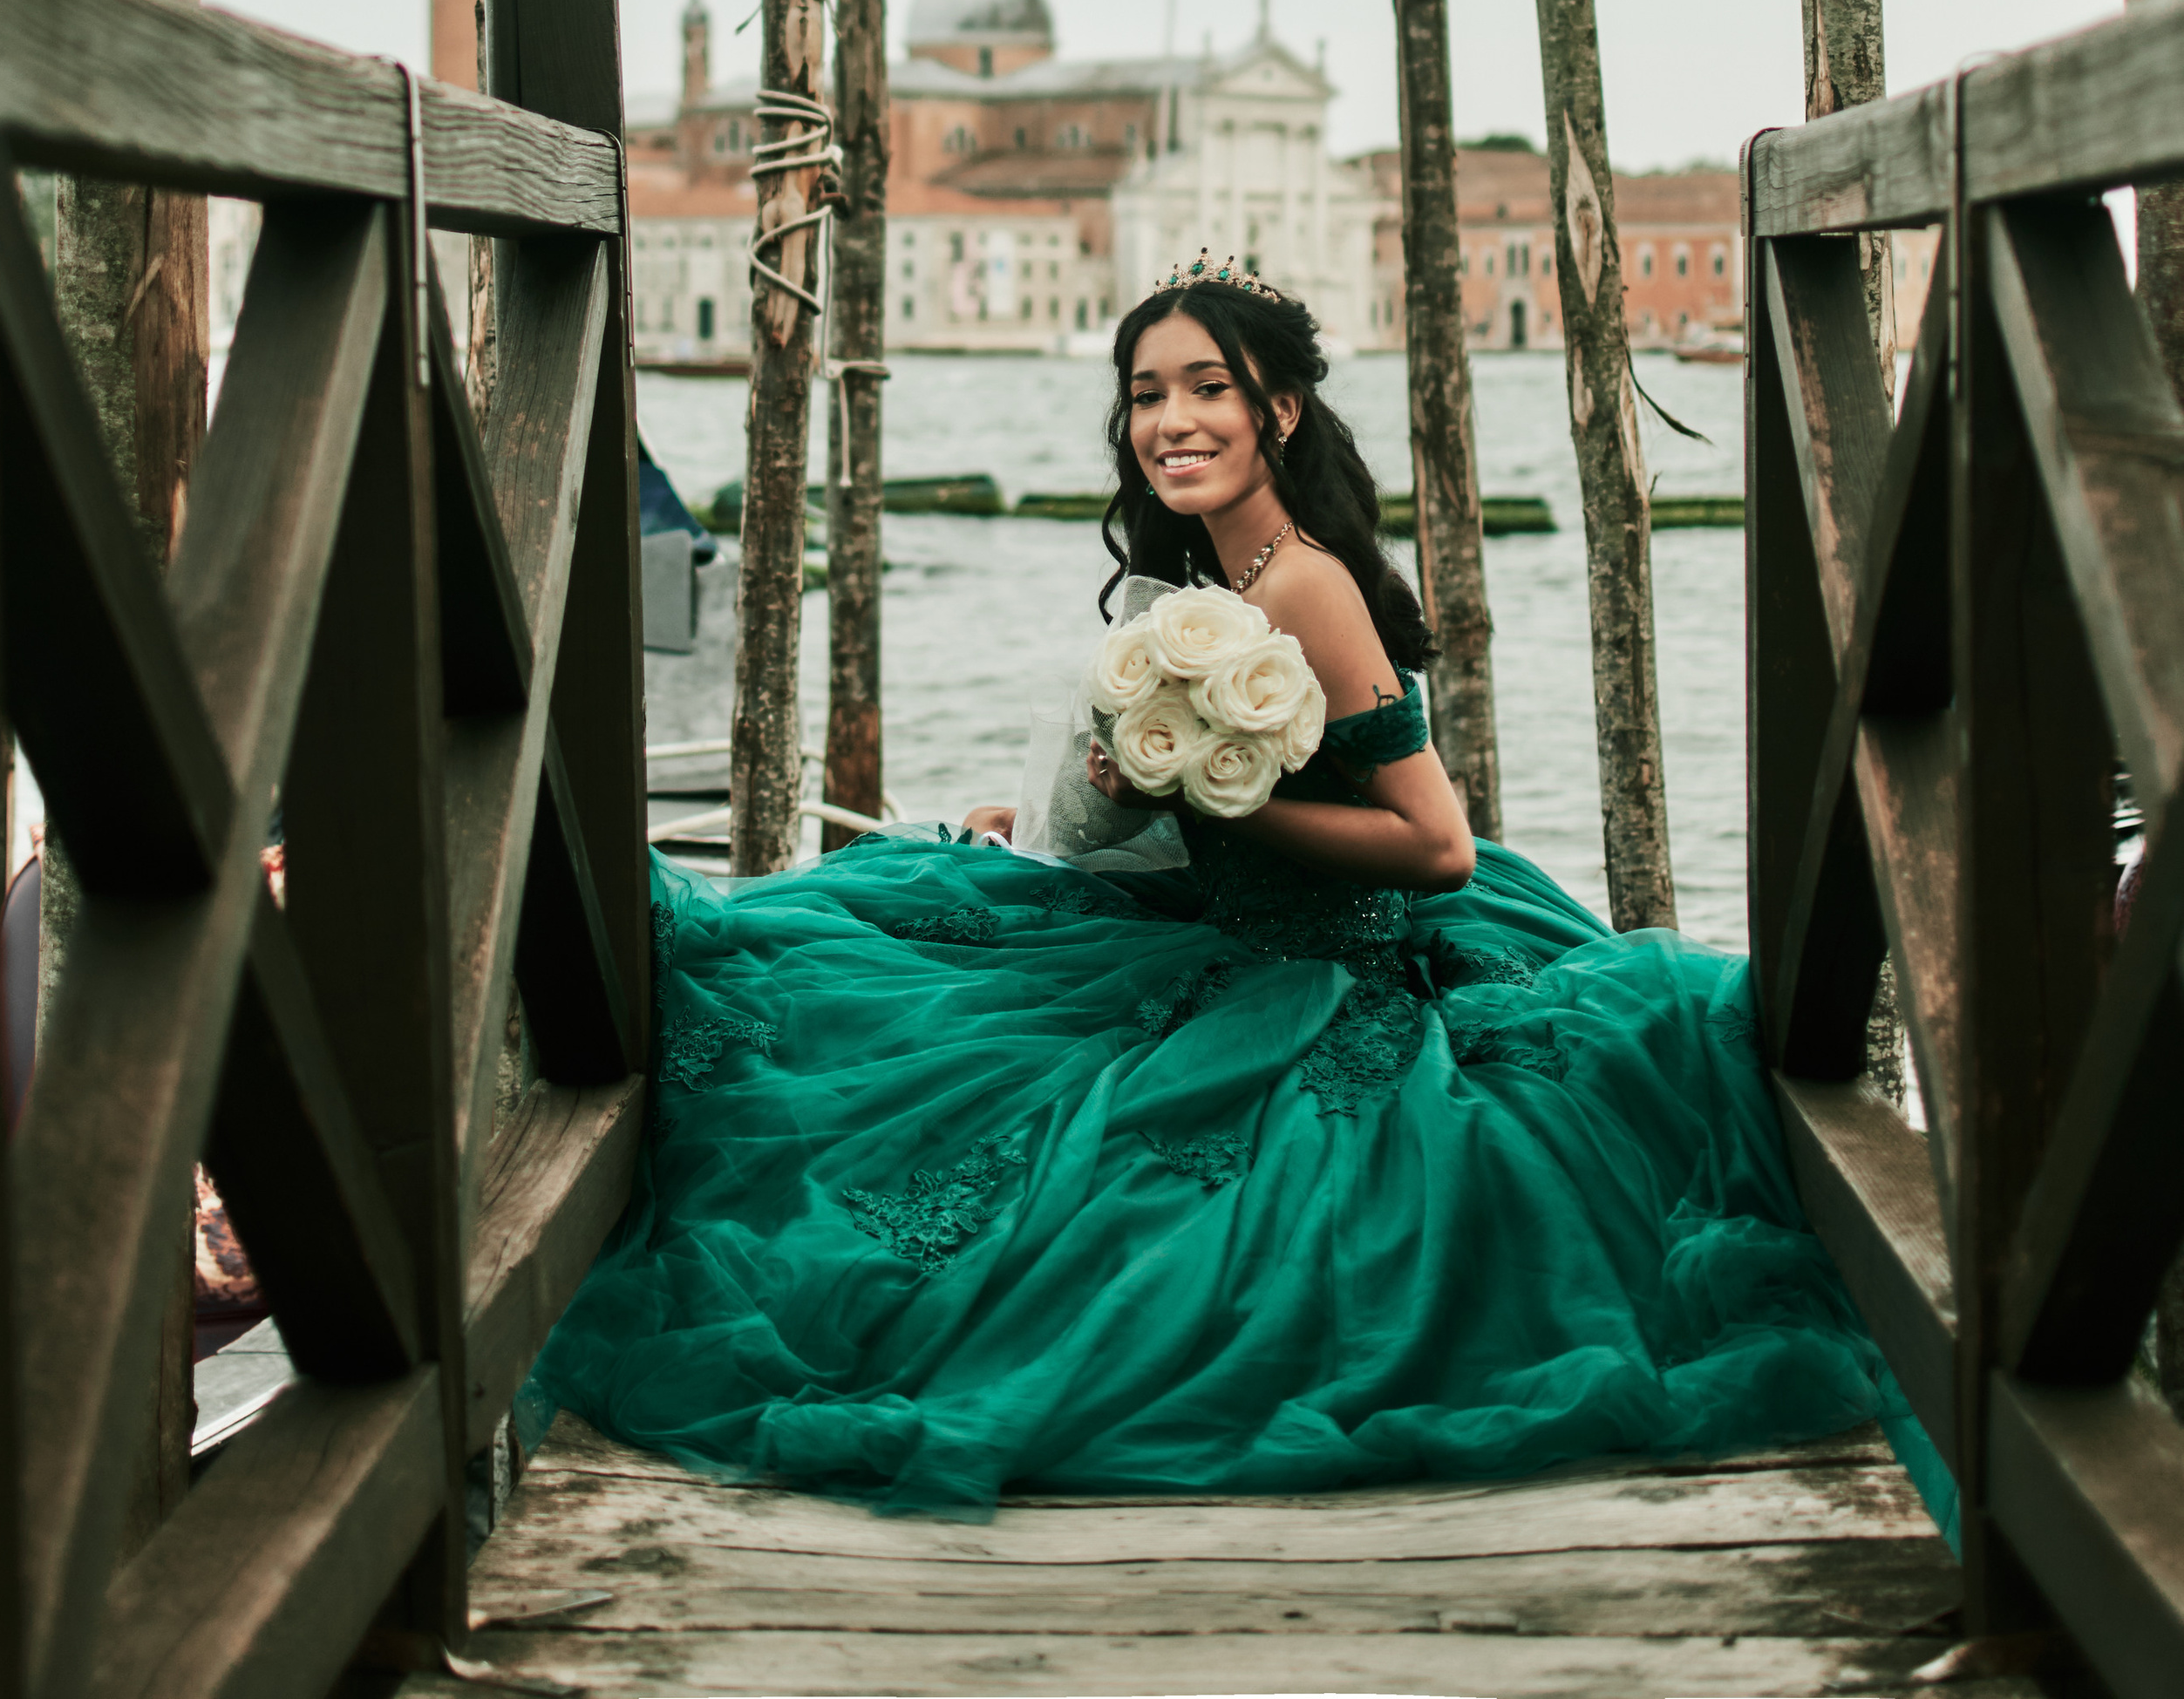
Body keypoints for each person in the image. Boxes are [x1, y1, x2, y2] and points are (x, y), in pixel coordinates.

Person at [534, 260, 1949, 1528]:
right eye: (1147, 395)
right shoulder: (1212, 567)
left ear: (1278, 411)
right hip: (1213, 933)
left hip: (1333, 970)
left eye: (1207, 388)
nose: (1172, 421)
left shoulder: (1307, 586)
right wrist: (1073, 811)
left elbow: (1439, 847)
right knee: (838, 944)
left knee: (1032, 1173)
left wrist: (1231, 803)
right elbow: (1197, 821)